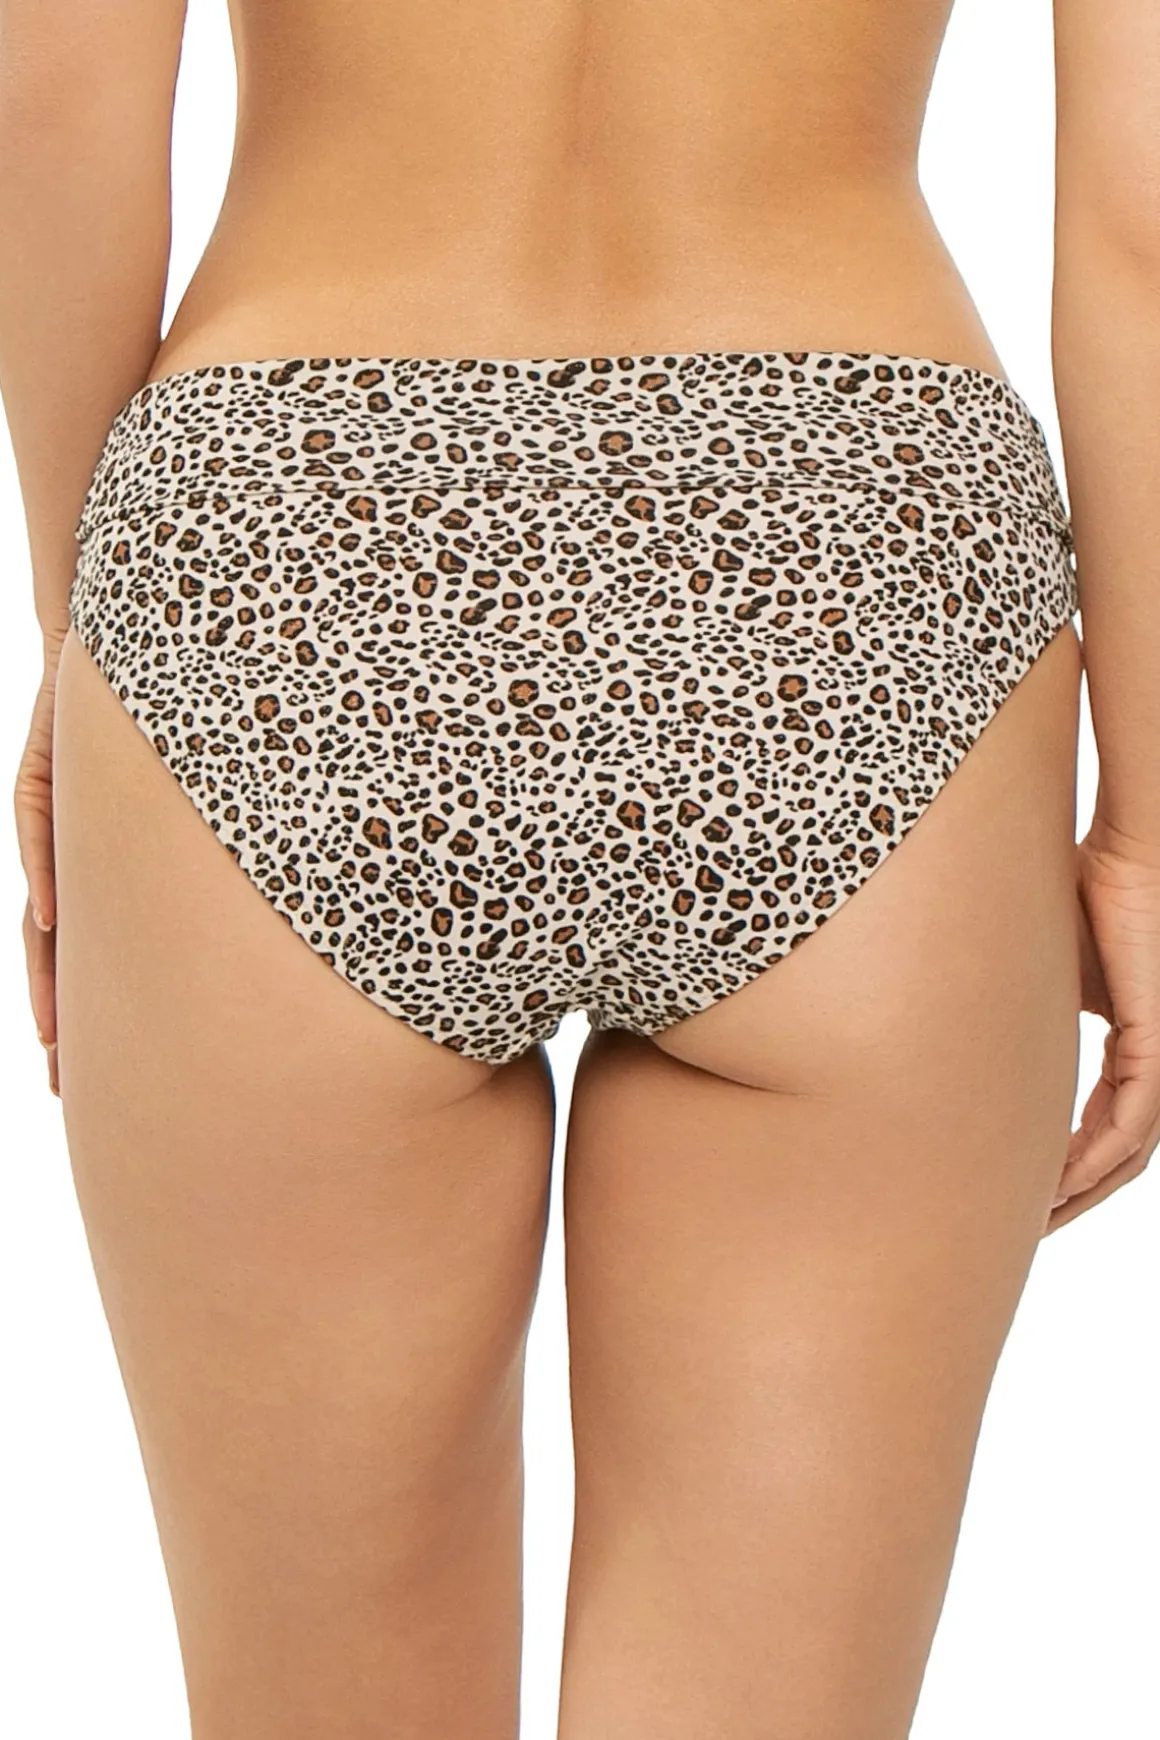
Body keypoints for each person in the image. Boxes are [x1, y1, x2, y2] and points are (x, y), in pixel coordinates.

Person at [1, 2, 1157, 1735]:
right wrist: (1144, 824)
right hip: (845, 553)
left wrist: (101, 631)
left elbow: (49, 88)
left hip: (293, 549)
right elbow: (1145, 213)